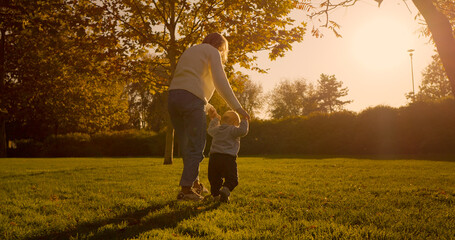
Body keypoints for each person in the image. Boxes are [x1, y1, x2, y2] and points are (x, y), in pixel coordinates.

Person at [168, 33, 250, 201]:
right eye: (224, 51)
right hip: (191, 100)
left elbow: (188, 84)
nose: (222, 54)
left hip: (172, 98)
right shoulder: (213, 52)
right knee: (197, 145)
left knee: (186, 145)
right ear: (220, 47)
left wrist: (209, 107)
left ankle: (195, 184)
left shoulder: (191, 50)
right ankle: (186, 189)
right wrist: (237, 108)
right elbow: (220, 81)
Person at [207, 109, 249, 202]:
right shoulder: (233, 129)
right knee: (232, 179)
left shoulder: (217, 129)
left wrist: (214, 119)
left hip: (214, 158)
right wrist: (244, 119)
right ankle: (226, 189)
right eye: (237, 123)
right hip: (228, 158)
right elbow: (243, 131)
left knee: (215, 179)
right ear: (234, 122)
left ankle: (216, 196)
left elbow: (209, 130)